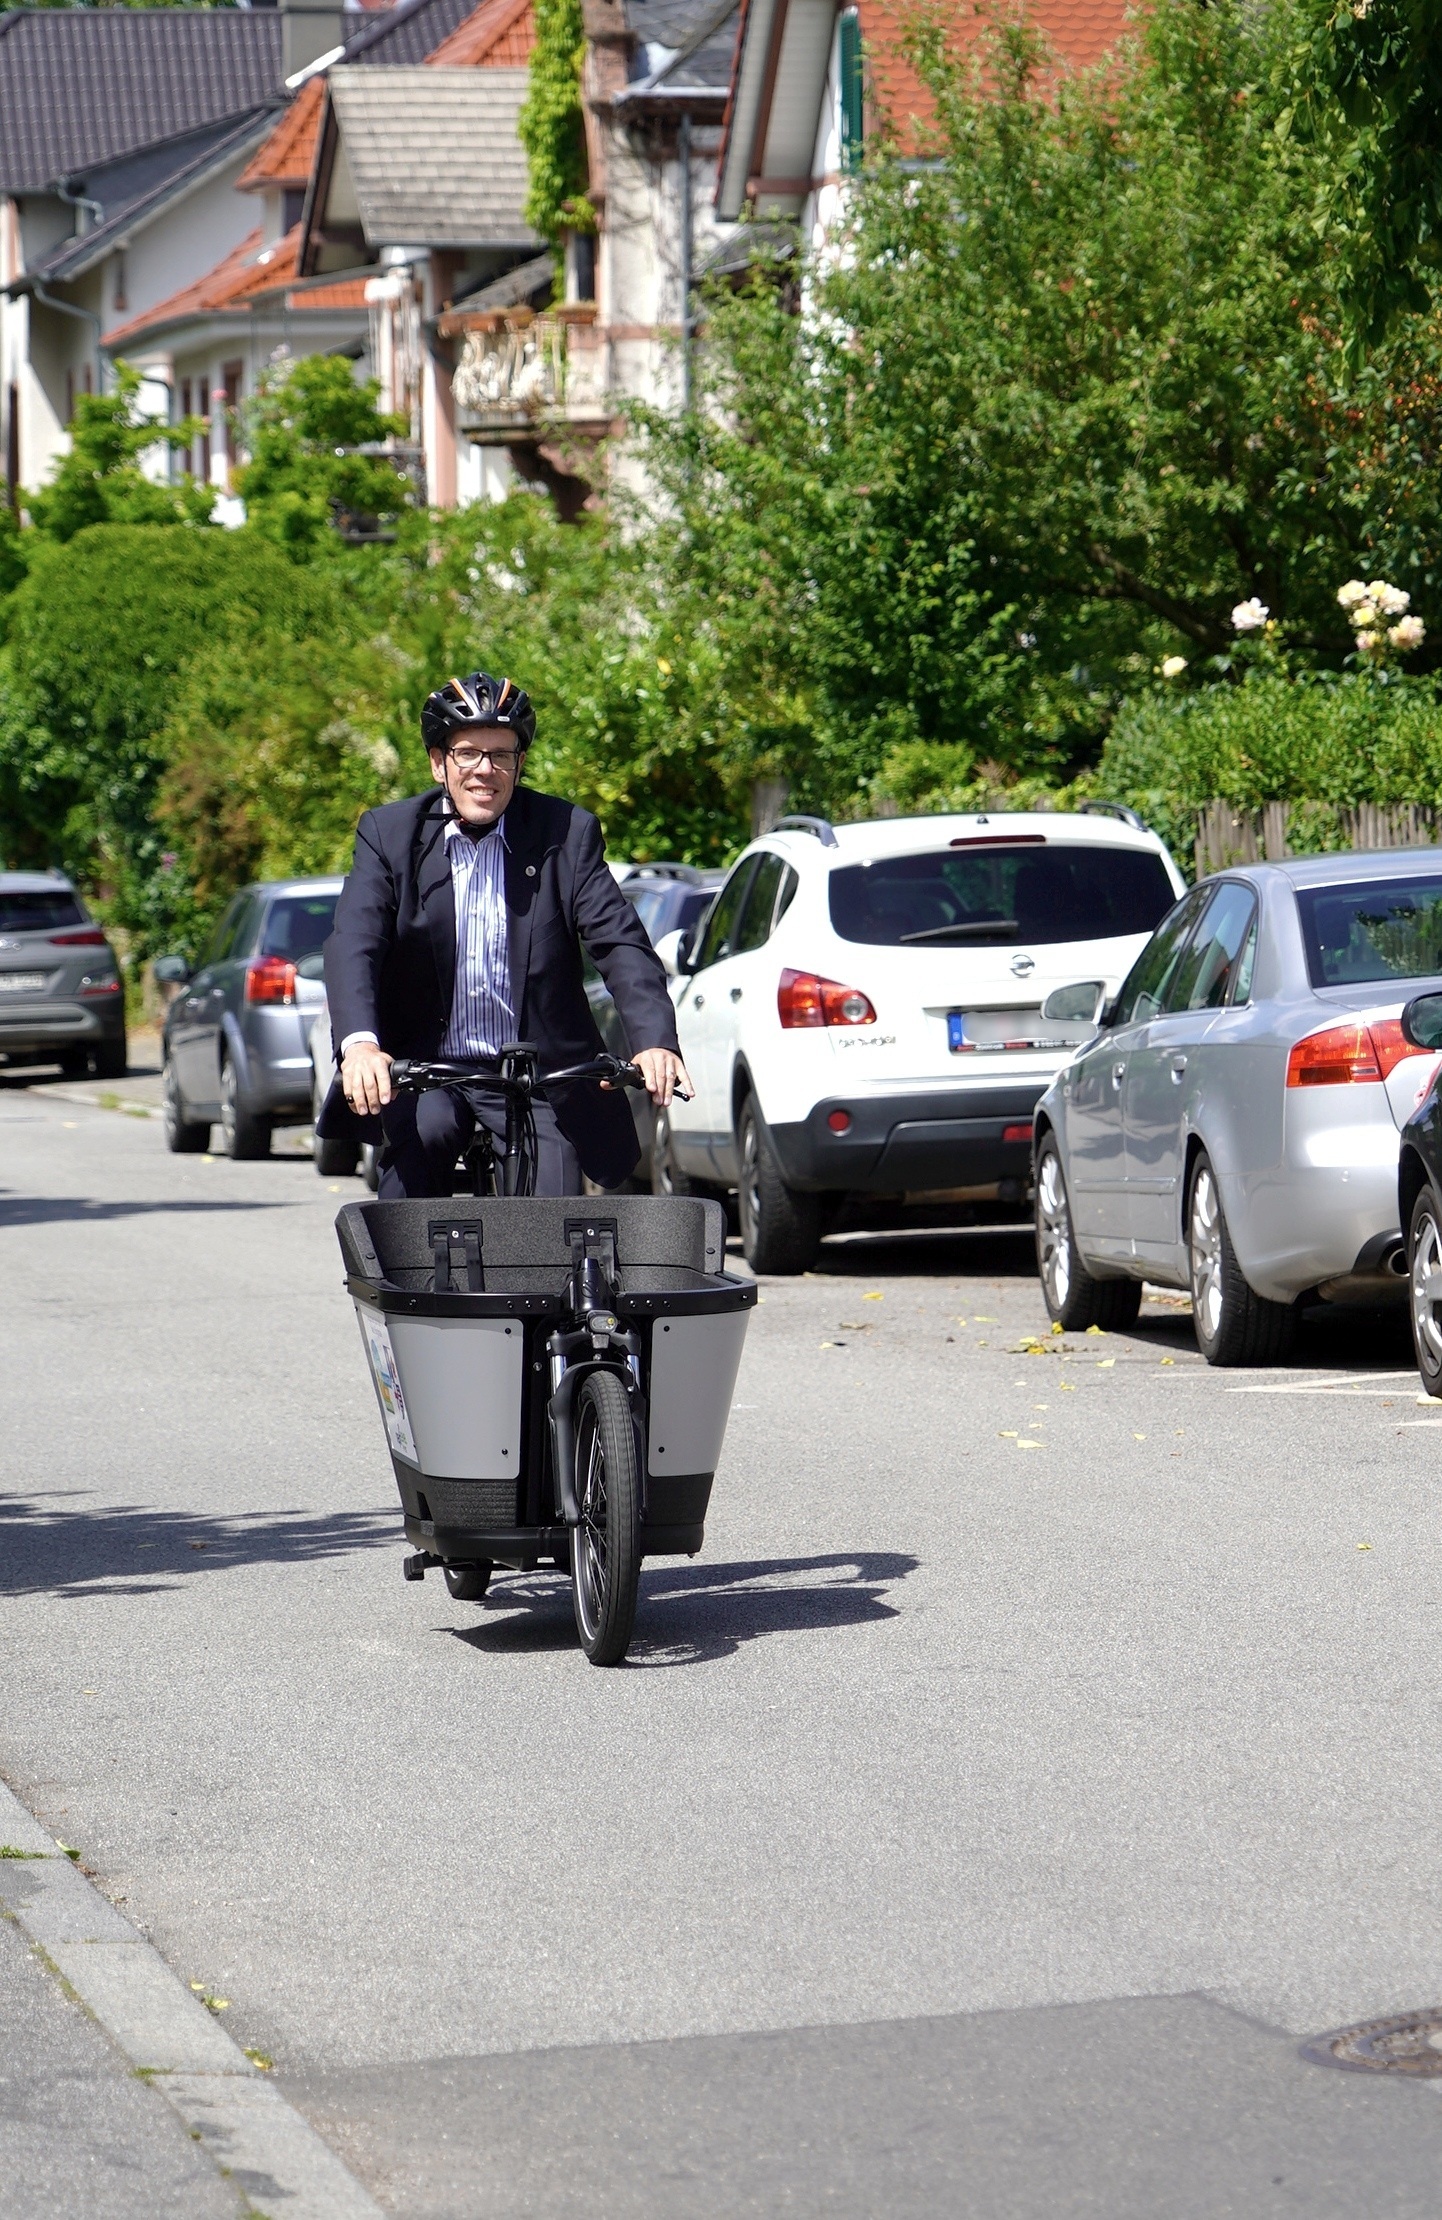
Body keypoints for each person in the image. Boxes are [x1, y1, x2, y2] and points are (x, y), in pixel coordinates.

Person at [318, 670, 691, 1199]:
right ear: (438, 762)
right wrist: (360, 1046)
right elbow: (355, 942)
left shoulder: (567, 832)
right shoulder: (389, 834)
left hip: (536, 1076)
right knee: (422, 1150)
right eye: (468, 753)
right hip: (429, 1069)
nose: (485, 771)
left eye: (502, 755)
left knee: (555, 1216)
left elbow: (620, 942)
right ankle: (416, 1283)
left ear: (519, 764)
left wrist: (654, 1041)